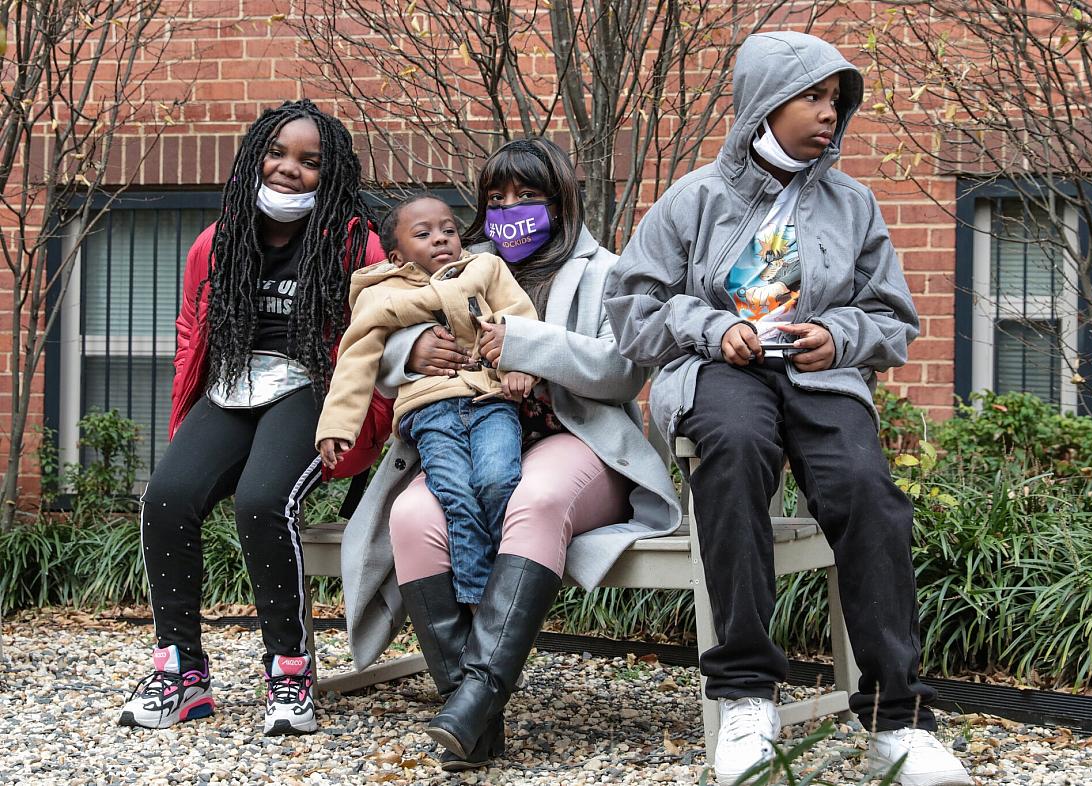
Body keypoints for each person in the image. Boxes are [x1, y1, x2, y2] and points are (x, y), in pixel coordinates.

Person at [604, 31, 972, 786]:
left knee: (870, 494)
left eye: (837, 101)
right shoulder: (694, 199)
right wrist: (715, 327)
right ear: (765, 104)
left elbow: (893, 317)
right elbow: (632, 308)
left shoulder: (853, 203)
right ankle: (744, 696)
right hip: (721, 371)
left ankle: (894, 720)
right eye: (813, 97)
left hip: (823, 377)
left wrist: (836, 335)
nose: (829, 114)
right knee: (734, 455)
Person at [338, 138, 681, 771]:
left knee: (536, 499)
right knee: (412, 518)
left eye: (526, 196)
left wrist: (525, 345)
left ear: (559, 200)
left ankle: (476, 701)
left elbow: (622, 372)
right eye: (496, 198)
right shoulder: (459, 263)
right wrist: (410, 352)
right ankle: (471, 718)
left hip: (576, 439)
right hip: (467, 431)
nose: (509, 209)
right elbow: (380, 332)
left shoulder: (607, 270)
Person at [118, 100, 391, 736]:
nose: (289, 168)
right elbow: (193, 332)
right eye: (277, 152)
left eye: (310, 161)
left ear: (333, 173)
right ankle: (180, 671)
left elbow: (378, 337)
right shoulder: (217, 240)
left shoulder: (356, 241)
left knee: (263, 502)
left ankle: (289, 670)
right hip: (233, 383)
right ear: (254, 156)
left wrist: (357, 423)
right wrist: (188, 412)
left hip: (311, 386)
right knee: (166, 497)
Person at [316, 193, 538, 605]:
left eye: (448, 230)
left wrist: (520, 365)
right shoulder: (381, 295)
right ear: (397, 257)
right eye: (424, 234)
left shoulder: (484, 268)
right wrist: (337, 427)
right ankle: (480, 598)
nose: (440, 239)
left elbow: (520, 317)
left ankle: (501, 589)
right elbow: (355, 361)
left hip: (491, 401)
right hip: (431, 411)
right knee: (454, 491)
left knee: (498, 480)